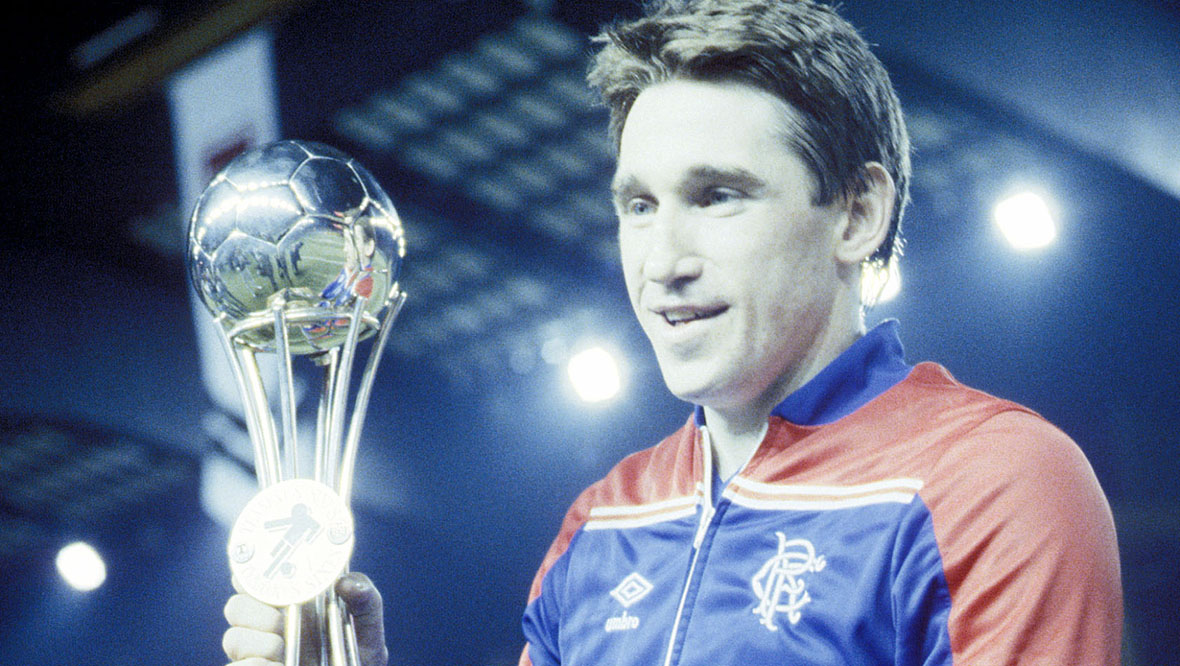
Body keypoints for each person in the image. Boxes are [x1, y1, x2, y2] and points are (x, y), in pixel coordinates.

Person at [223, 1, 1123, 664]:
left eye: (717, 196)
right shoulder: (602, 522)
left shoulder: (996, 483)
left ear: (857, 212)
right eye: (639, 206)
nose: (663, 260)